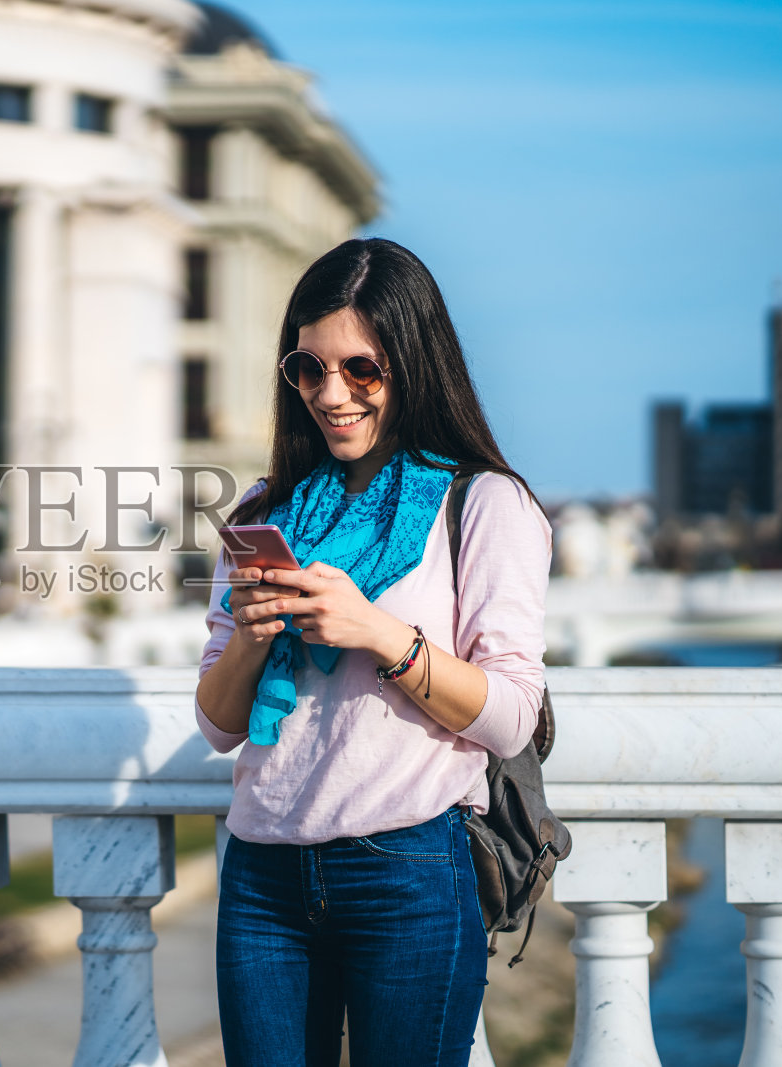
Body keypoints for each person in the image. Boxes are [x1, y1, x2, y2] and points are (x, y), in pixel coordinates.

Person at [195, 238, 552, 1067]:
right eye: (308, 368)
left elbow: (510, 716)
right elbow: (217, 725)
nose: (332, 393)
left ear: (415, 363)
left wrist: (375, 631)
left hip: (408, 869)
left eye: (363, 369)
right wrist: (254, 635)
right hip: (264, 875)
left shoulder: (485, 504)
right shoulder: (266, 508)